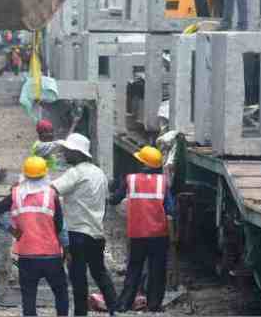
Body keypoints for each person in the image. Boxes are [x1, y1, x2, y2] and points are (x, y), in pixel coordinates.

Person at [0, 156, 70, 317]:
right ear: (45, 174)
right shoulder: (51, 195)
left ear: (25, 175)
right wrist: (67, 249)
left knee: (28, 296)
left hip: (27, 255)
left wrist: (12, 230)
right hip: (51, 254)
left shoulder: (16, 194)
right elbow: (60, 226)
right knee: (61, 292)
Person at [52, 134, 118, 316]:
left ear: (77, 153)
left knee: (78, 277)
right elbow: (104, 202)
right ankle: (115, 308)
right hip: (96, 233)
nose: (65, 154)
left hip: (76, 233)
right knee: (100, 272)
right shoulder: (99, 173)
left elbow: (52, 190)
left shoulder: (75, 173)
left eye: (68, 151)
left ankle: (81, 313)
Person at [110, 146, 174, 313]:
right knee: (157, 270)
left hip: (137, 233)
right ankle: (154, 305)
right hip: (159, 234)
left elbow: (115, 199)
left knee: (134, 268)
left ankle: (124, 303)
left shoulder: (130, 179)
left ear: (142, 163)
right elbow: (171, 209)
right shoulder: (163, 182)